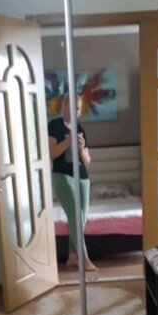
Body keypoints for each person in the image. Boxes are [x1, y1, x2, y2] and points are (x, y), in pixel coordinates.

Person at [48, 94, 97, 272]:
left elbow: (87, 160)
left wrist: (82, 148)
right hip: (62, 175)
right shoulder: (54, 125)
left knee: (81, 218)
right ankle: (84, 258)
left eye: (78, 108)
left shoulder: (80, 129)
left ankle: (71, 256)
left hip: (82, 177)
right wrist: (68, 141)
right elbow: (51, 154)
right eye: (72, 107)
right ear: (64, 106)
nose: (75, 111)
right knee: (76, 215)